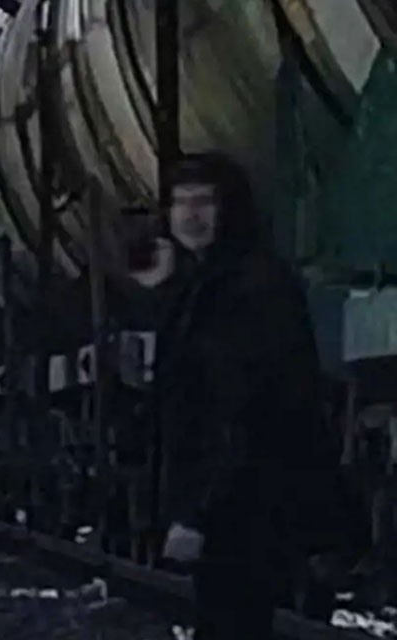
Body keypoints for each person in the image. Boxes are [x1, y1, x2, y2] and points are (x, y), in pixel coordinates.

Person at [134, 153, 339, 638]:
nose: (190, 215)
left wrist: (196, 516)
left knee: (232, 622)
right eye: (180, 203)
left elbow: (240, 413)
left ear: (232, 209)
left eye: (204, 202)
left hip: (244, 515)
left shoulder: (248, 291)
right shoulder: (220, 282)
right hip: (244, 510)